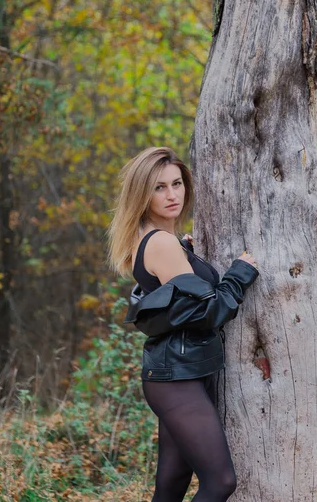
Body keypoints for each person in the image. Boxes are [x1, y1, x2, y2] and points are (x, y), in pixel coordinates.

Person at [108, 147, 259, 502]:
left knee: (172, 484)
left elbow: (171, 295)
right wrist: (239, 274)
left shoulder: (153, 237)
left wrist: (186, 252)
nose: (172, 194)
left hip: (179, 372)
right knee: (221, 481)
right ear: (142, 193)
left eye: (177, 183)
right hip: (179, 379)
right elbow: (207, 312)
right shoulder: (161, 243)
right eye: (159, 187)